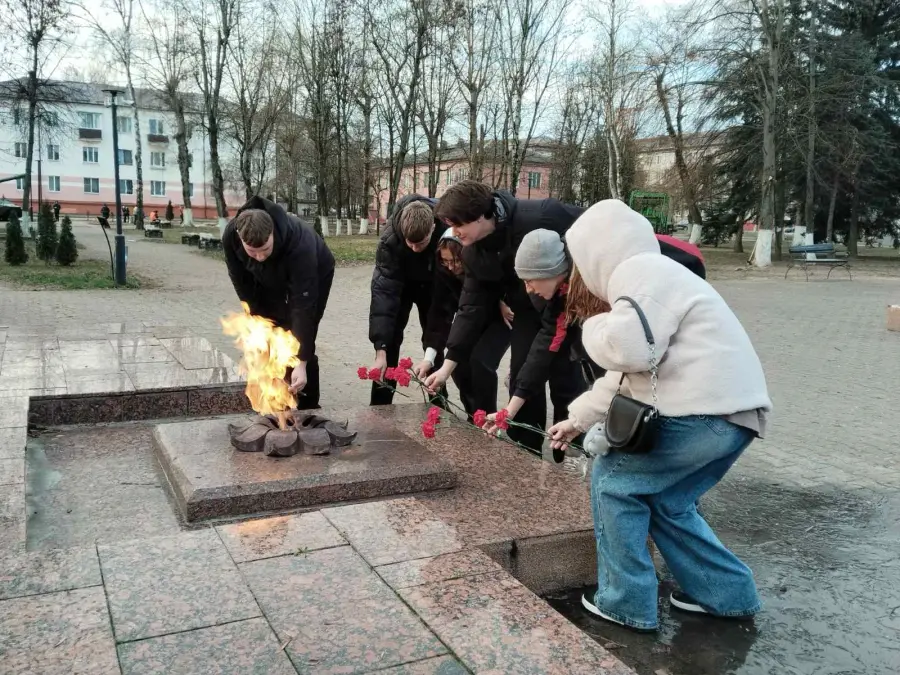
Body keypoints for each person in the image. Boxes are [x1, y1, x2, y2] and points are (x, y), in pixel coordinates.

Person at [548, 199, 771, 632]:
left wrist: (591, 327)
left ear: (595, 252)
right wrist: (577, 419)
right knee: (669, 503)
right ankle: (727, 594)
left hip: (700, 416)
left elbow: (627, 351)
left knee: (613, 484)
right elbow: (627, 373)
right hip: (736, 417)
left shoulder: (640, 274)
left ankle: (625, 603)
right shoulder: (660, 275)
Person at [423, 180, 586, 454]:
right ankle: (526, 449)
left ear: (479, 216)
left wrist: (576, 279)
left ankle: (571, 448)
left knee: (565, 377)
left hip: (566, 306)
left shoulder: (540, 215)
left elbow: (591, 227)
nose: (454, 231)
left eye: (457, 224)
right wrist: (446, 367)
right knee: (522, 374)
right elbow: (470, 308)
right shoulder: (473, 252)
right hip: (526, 313)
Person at [223, 196, 335, 409]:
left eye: (265, 249)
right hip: (267, 276)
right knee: (269, 327)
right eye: (252, 252)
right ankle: (276, 397)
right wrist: (257, 326)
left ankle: (308, 402)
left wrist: (301, 361)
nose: (259, 256)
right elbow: (242, 284)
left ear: (272, 233)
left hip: (316, 271)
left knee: (300, 329)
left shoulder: (300, 244)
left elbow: (304, 308)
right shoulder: (231, 235)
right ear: (239, 237)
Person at [415, 230, 511, 417]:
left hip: (503, 317)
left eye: (456, 261)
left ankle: (486, 419)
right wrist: (429, 358)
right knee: (459, 364)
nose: (451, 267)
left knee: (481, 361)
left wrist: (501, 300)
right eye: (445, 261)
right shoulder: (445, 272)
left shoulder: (483, 264)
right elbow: (439, 312)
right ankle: (473, 415)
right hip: (472, 316)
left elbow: (495, 288)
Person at [368, 195, 444, 405]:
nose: (414, 249)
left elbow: (444, 303)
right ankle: (380, 405)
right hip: (399, 285)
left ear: (432, 228)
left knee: (434, 341)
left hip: (433, 285)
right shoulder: (390, 241)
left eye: (421, 243)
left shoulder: (445, 233)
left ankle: (439, 402)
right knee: (389, 340)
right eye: (410, 243)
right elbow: (383, 296)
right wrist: (380, 349)